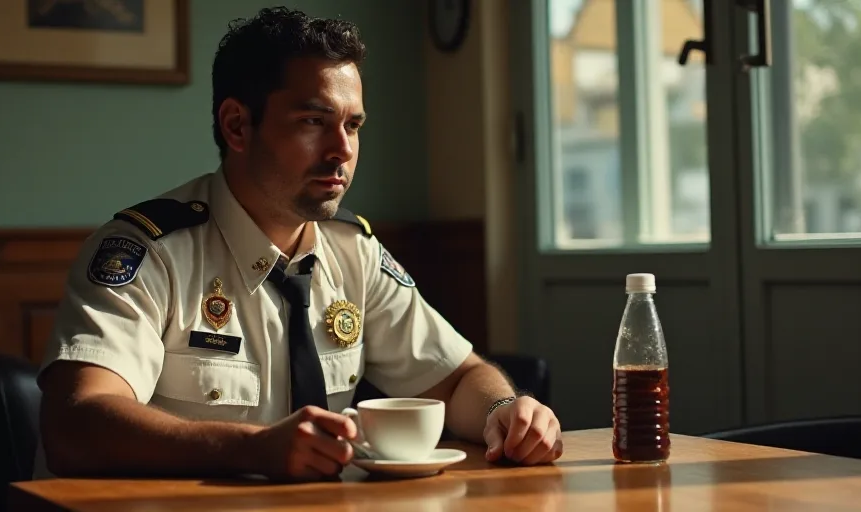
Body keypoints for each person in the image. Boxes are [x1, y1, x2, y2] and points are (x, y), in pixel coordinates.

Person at [34, 6, 563, 481]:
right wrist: (249, 449)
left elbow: (458, 379)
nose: (342, 150)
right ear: (237, 126)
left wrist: (504, 411)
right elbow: (75, 424)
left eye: (353, 125)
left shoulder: (353, 251)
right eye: (314, 121)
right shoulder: (149, 252)